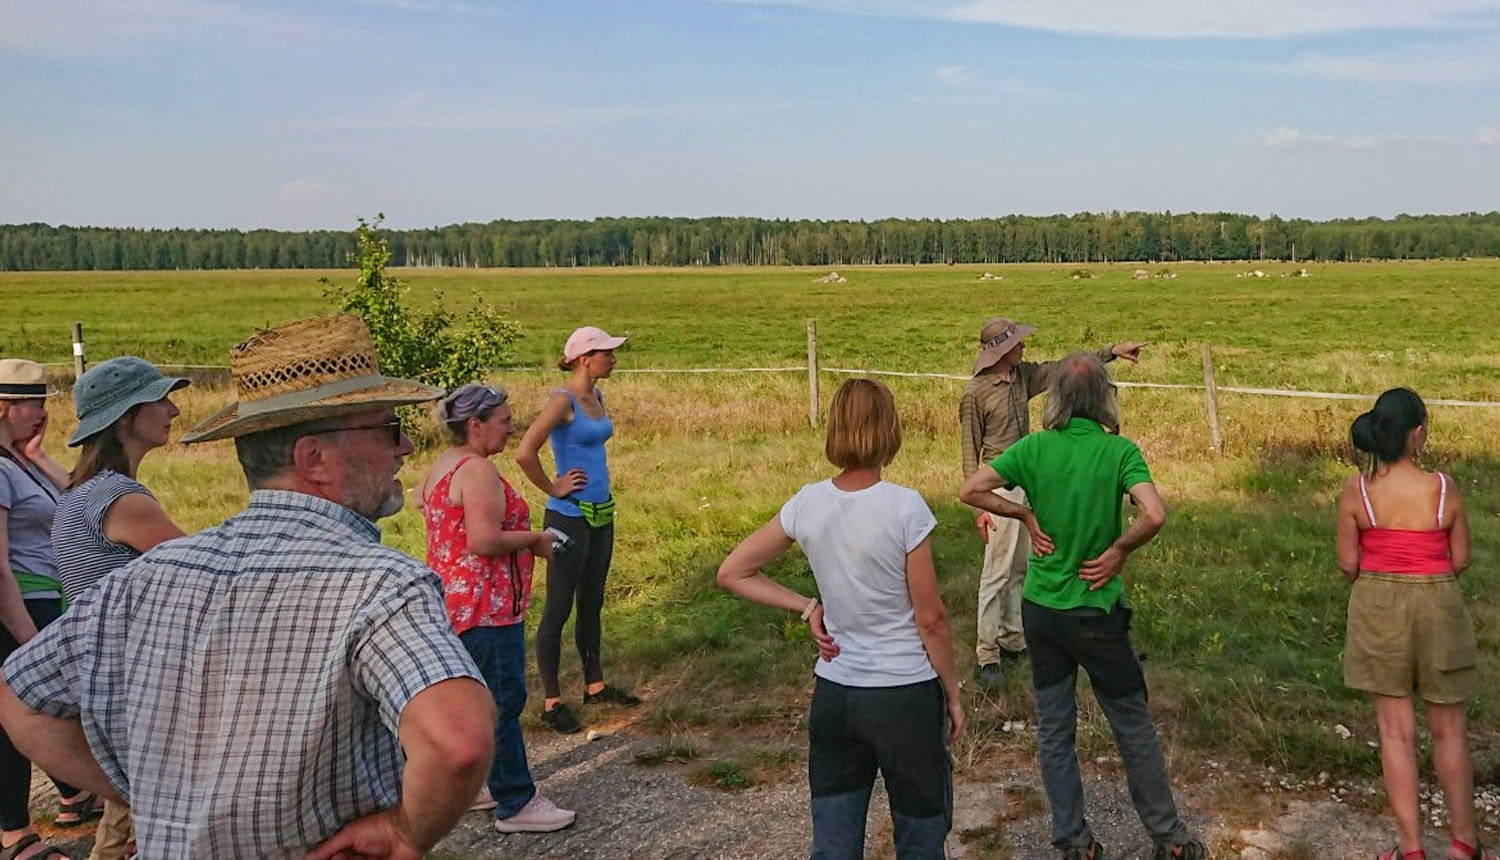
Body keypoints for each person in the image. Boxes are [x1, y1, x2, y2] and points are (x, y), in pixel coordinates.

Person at [0, 314, 497, 859]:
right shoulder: (382, 585)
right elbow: (459, 744)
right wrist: (405, 831)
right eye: (385, 427)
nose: (403, 446)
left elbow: (18, 699)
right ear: (313, 457)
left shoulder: (143, 579)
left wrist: (149, 792)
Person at [959, 353, 1202, 860]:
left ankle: (1074, 842)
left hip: (1042, 612)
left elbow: (971, 489)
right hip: (1096, 611)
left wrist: (1023, 514)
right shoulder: (1120, 452)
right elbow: (1153, 514)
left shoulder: (1033, 448)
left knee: (1054, 729)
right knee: (1131, 723)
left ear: (1058, 401)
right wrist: (1119, 551)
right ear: (1103, 398)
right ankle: (1170, 838)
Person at [719, 377, 961, 859]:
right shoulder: (904, 506)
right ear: (890, 430)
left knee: (834, 841)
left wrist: (807, 605)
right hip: (905, 696)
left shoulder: (807, 502)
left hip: (836, 695)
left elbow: (734, 571)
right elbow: (930, 618)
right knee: (920, 834)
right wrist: (952, 692)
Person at [1336, 388, 1495, 860]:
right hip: (1439, 604)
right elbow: (1461, 558)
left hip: (1378, 605)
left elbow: (1349, 563)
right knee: (1450, 731)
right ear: (1417, 435)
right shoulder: (1443, 488)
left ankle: (1410, 849)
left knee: (1395, 731)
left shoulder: (1357, 490)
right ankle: (1465, 843)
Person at [418, 382, 577, 834]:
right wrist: (537, 540)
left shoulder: (442, 466)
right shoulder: (479, 471)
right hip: (488, 606)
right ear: (475, 425)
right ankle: (517, 802)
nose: (511, 429)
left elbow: (428, 508)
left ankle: (481, 786)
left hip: (454, 602)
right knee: (503, 702)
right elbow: (483, 541)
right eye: (504, 422)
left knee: (475, 702)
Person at [49, 357, 191, 860]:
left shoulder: (78, 493)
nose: (173, 409)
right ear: (127, 417)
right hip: (138, 678)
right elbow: (204, 572)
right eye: (160, 399)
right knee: (146, 813)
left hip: (106, 676)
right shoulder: (120, 498)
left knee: (124, 815)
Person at [960, 316, 1144, 689]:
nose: (1024, 347)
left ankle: (1013, 639)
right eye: (1018, 343)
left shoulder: (1023, 377)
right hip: (1000, 487)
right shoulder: (975, 394)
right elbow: (969, 452)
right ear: (1002, 350)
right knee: (995, 572)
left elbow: (1067, 370)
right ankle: (987, 654)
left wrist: (1110, 352)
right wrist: (981, 506)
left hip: (1032, 478)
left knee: (1024, 565)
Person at [515, 325, 639, 734]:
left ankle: (595, 685)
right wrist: (553, 487)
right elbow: (524, 452)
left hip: (602, 511)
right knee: (559, 606)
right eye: (608, 353)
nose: (614, 359)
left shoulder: (597, 396)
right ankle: (552, 702)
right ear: (585, 358)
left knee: (593, 600)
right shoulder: (562, 401)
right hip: (568, 516)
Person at [0, 359, 100, 860]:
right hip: (23, 600)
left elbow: (79, 502)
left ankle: (71, 794)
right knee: (22, 709)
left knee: (52, 703)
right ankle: (15, 832)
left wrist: (38, 456)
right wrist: (27, 638)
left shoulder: (17, 462)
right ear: (3, 408)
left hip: (46, 596)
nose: (42, 412)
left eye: (43, 401)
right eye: (30, 404)